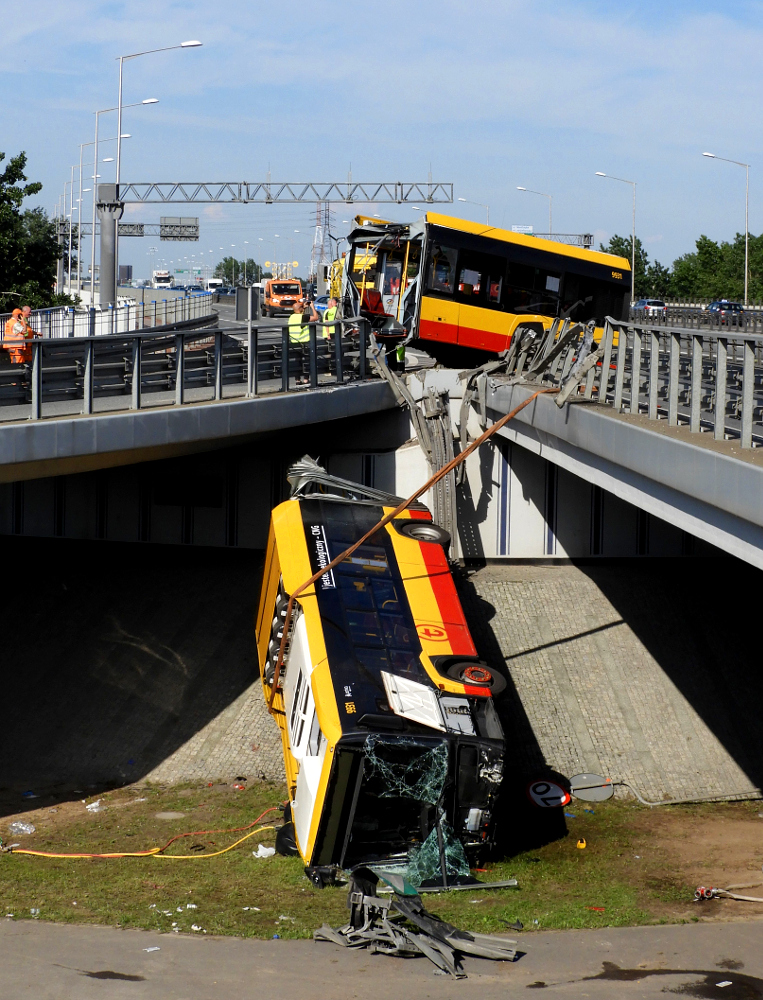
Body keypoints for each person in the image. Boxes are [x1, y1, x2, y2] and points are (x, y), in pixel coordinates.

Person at [288, 298, 320, 385]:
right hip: (304, 342)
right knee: (307, 361)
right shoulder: (303, 317)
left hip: (294, 342)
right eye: (302, 307)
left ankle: (297, 380)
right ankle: (306, 379)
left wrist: (304, 307)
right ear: (300, 309)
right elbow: (316, 317)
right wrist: (312, 307)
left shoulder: (291, 317)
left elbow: (299, 313)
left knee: (296, 361)